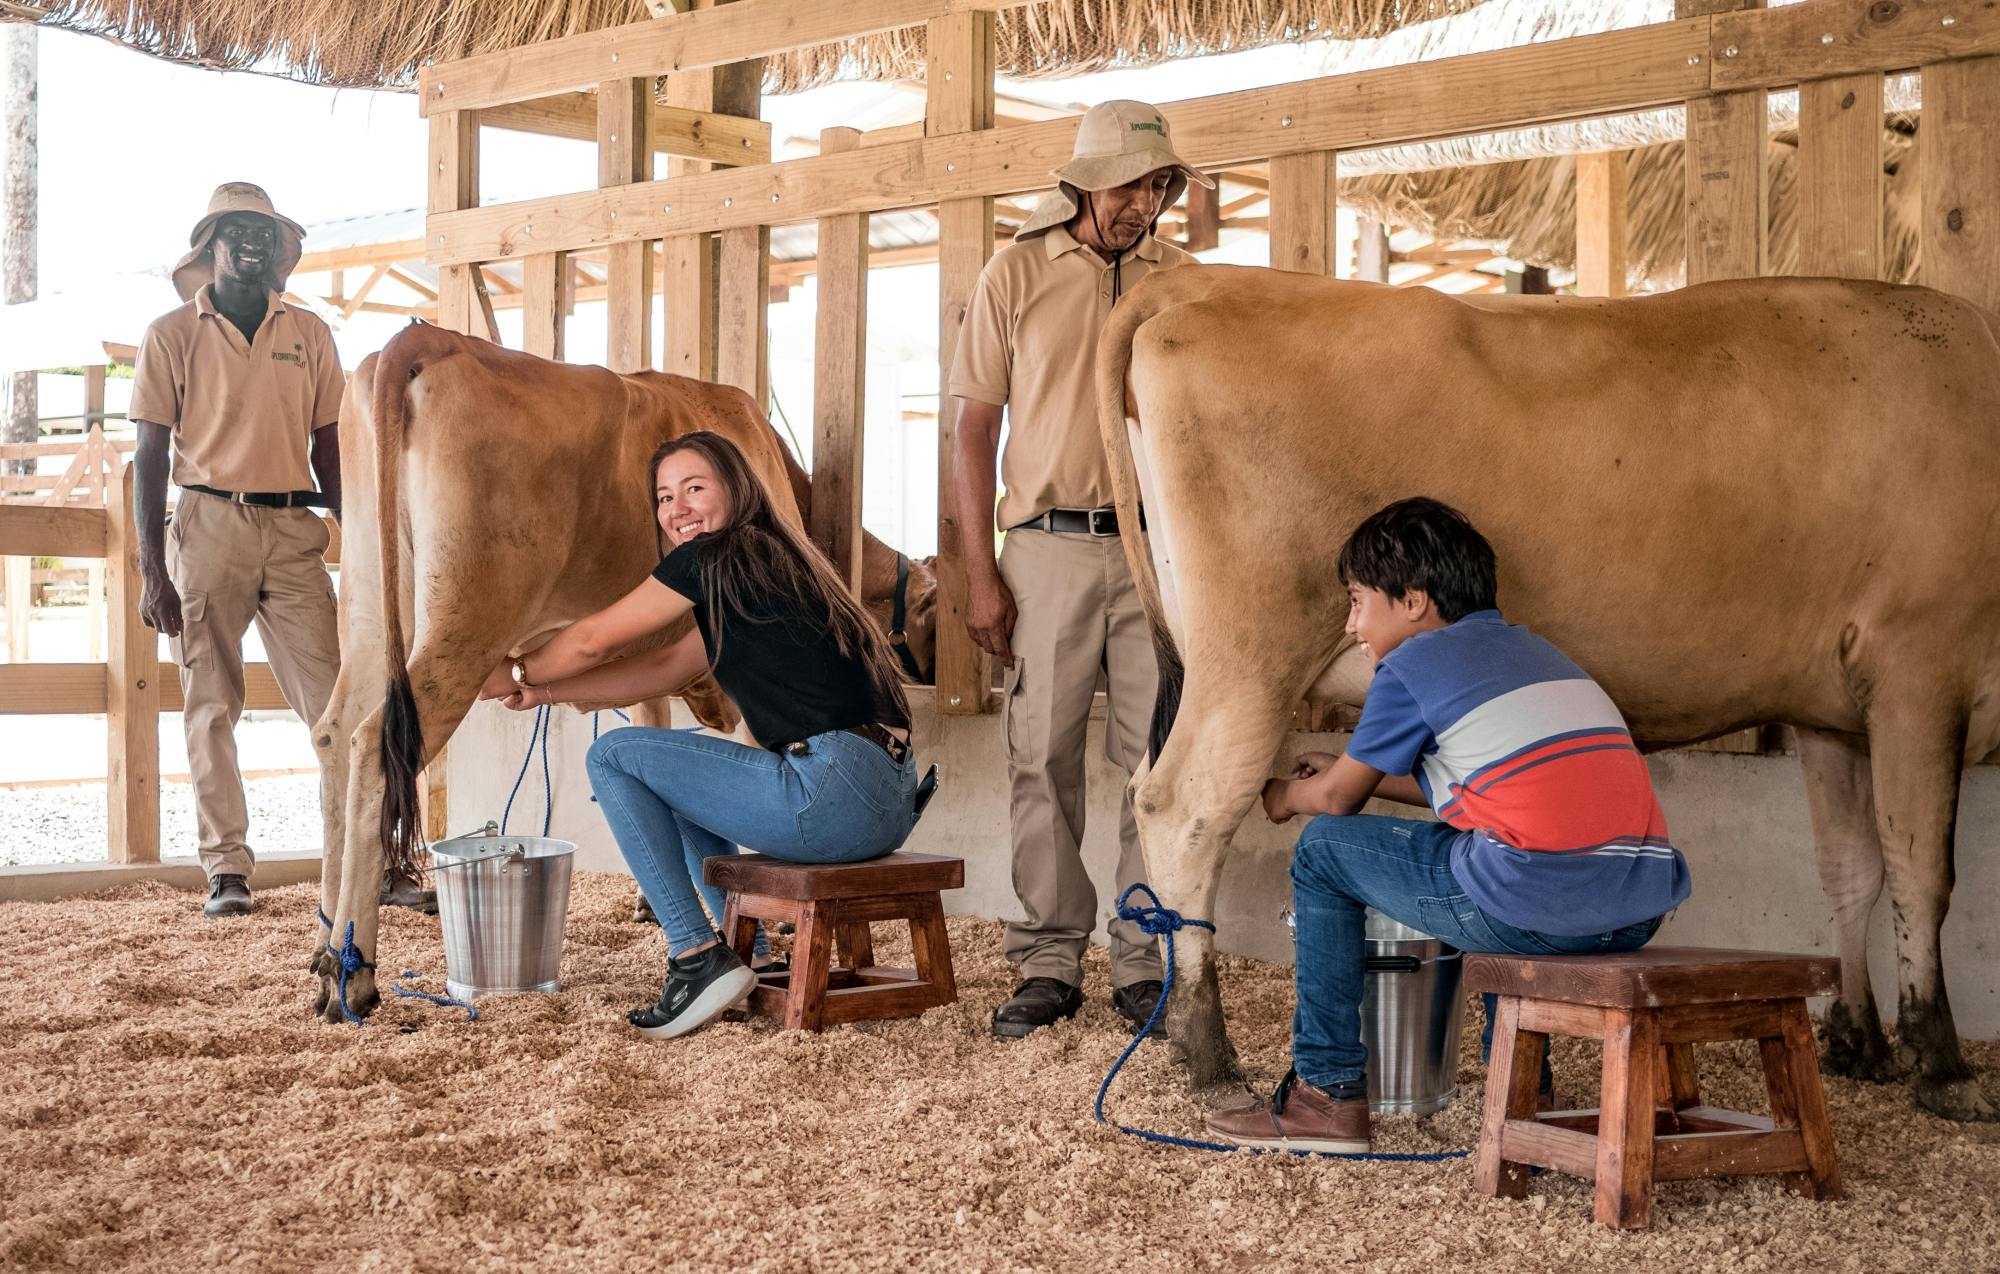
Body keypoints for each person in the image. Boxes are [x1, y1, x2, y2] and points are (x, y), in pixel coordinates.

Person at [1206, 498, 1692, 1153]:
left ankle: (1325, 1096)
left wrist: (1285, 794)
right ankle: (1524, 1099)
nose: (1352, 627)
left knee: (1323, 850)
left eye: (1357, 600)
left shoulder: (1410, 664)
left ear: (1412, 601)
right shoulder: (1538, 652)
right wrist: (1345, 769)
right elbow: (1490, 792)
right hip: (1635, 906)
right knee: (1492, 855)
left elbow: (1338, 803)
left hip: (1535, 902)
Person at [479, 431, 921, 1041]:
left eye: (694, 489)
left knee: (613, 755)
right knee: (677, 759)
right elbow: (667, 669)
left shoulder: (715, 556)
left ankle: (694, 956)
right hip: (890, 798)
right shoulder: (768, 561)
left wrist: (520, 669)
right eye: (663, 497)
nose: (677, 509)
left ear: (736, 490)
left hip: (833, 797)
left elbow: (592, 641)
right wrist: (542, 693)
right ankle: (753, 953)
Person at [949, 100, 1212, 1040]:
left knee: (1153, 761)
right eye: (1133, 183)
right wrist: (980, 574)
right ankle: (1049, 960)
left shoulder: (1182, 282)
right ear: (1086, 183)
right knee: (1040, 756)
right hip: (1045, 547)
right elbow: (973, 428)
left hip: (1154, 550)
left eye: (1159, 184)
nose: (1146, 201)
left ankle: (1143, 962)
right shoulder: (1015, 270)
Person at [128, 182, 377, 918]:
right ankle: (226, 871)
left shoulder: (310, 334)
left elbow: (330, 448)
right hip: (207, 526)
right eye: (235, 229)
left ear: (278, 251)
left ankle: (369, 857)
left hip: (295, 531)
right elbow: (148, 454)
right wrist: (154, 569)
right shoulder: (170, 334)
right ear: (210, 247)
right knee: (211, 703)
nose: (251, 241)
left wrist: (361, 541)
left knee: (341, 700)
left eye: (263, 231)